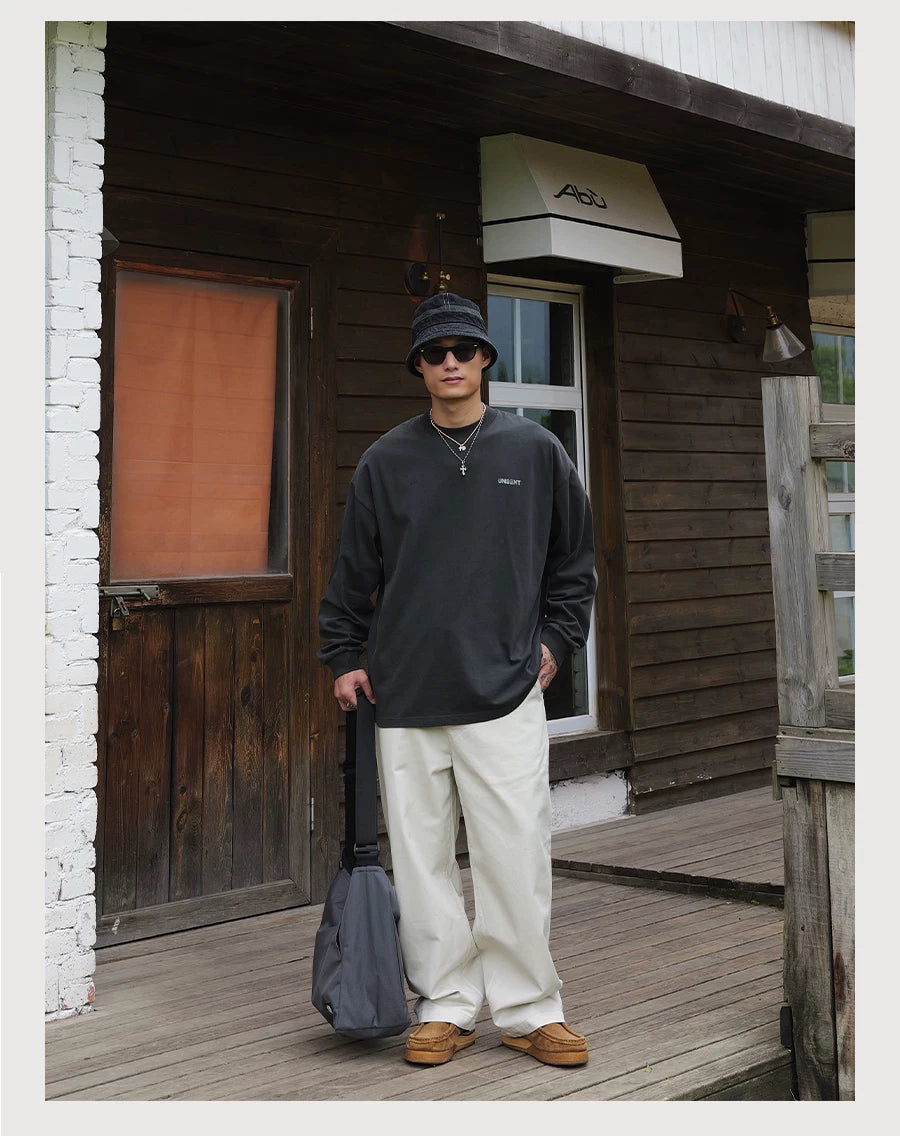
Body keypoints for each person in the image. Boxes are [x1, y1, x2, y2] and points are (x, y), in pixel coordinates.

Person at [317, 291, 597, 1068]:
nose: (450, 362)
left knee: (515, 856)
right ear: (418, 365)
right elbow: (352, 572)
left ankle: (529, 1009)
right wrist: (343, 655)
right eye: (435, 352)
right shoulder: (386, 460)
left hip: (503, 691)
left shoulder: (534, 451)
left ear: (484, 360)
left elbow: (574, 560)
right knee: (422, 863)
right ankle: (445, 1004)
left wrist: (557, 640)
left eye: (463, 350)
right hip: (404, 693)